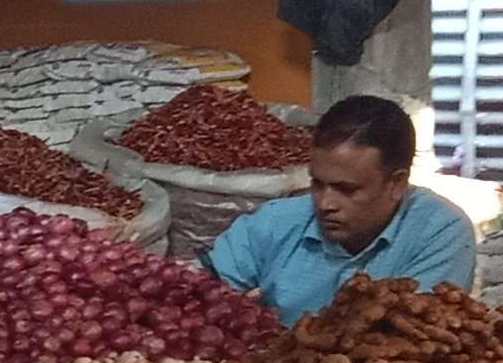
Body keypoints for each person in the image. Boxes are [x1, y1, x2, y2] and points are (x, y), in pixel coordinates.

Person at [202, 95, 478, 324]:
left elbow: (416, 337)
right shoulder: (276, 222)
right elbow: (200, 293)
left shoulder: (440, 233)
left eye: (346, 190)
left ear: (396, 183)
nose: (325, 203)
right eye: (318, 184)